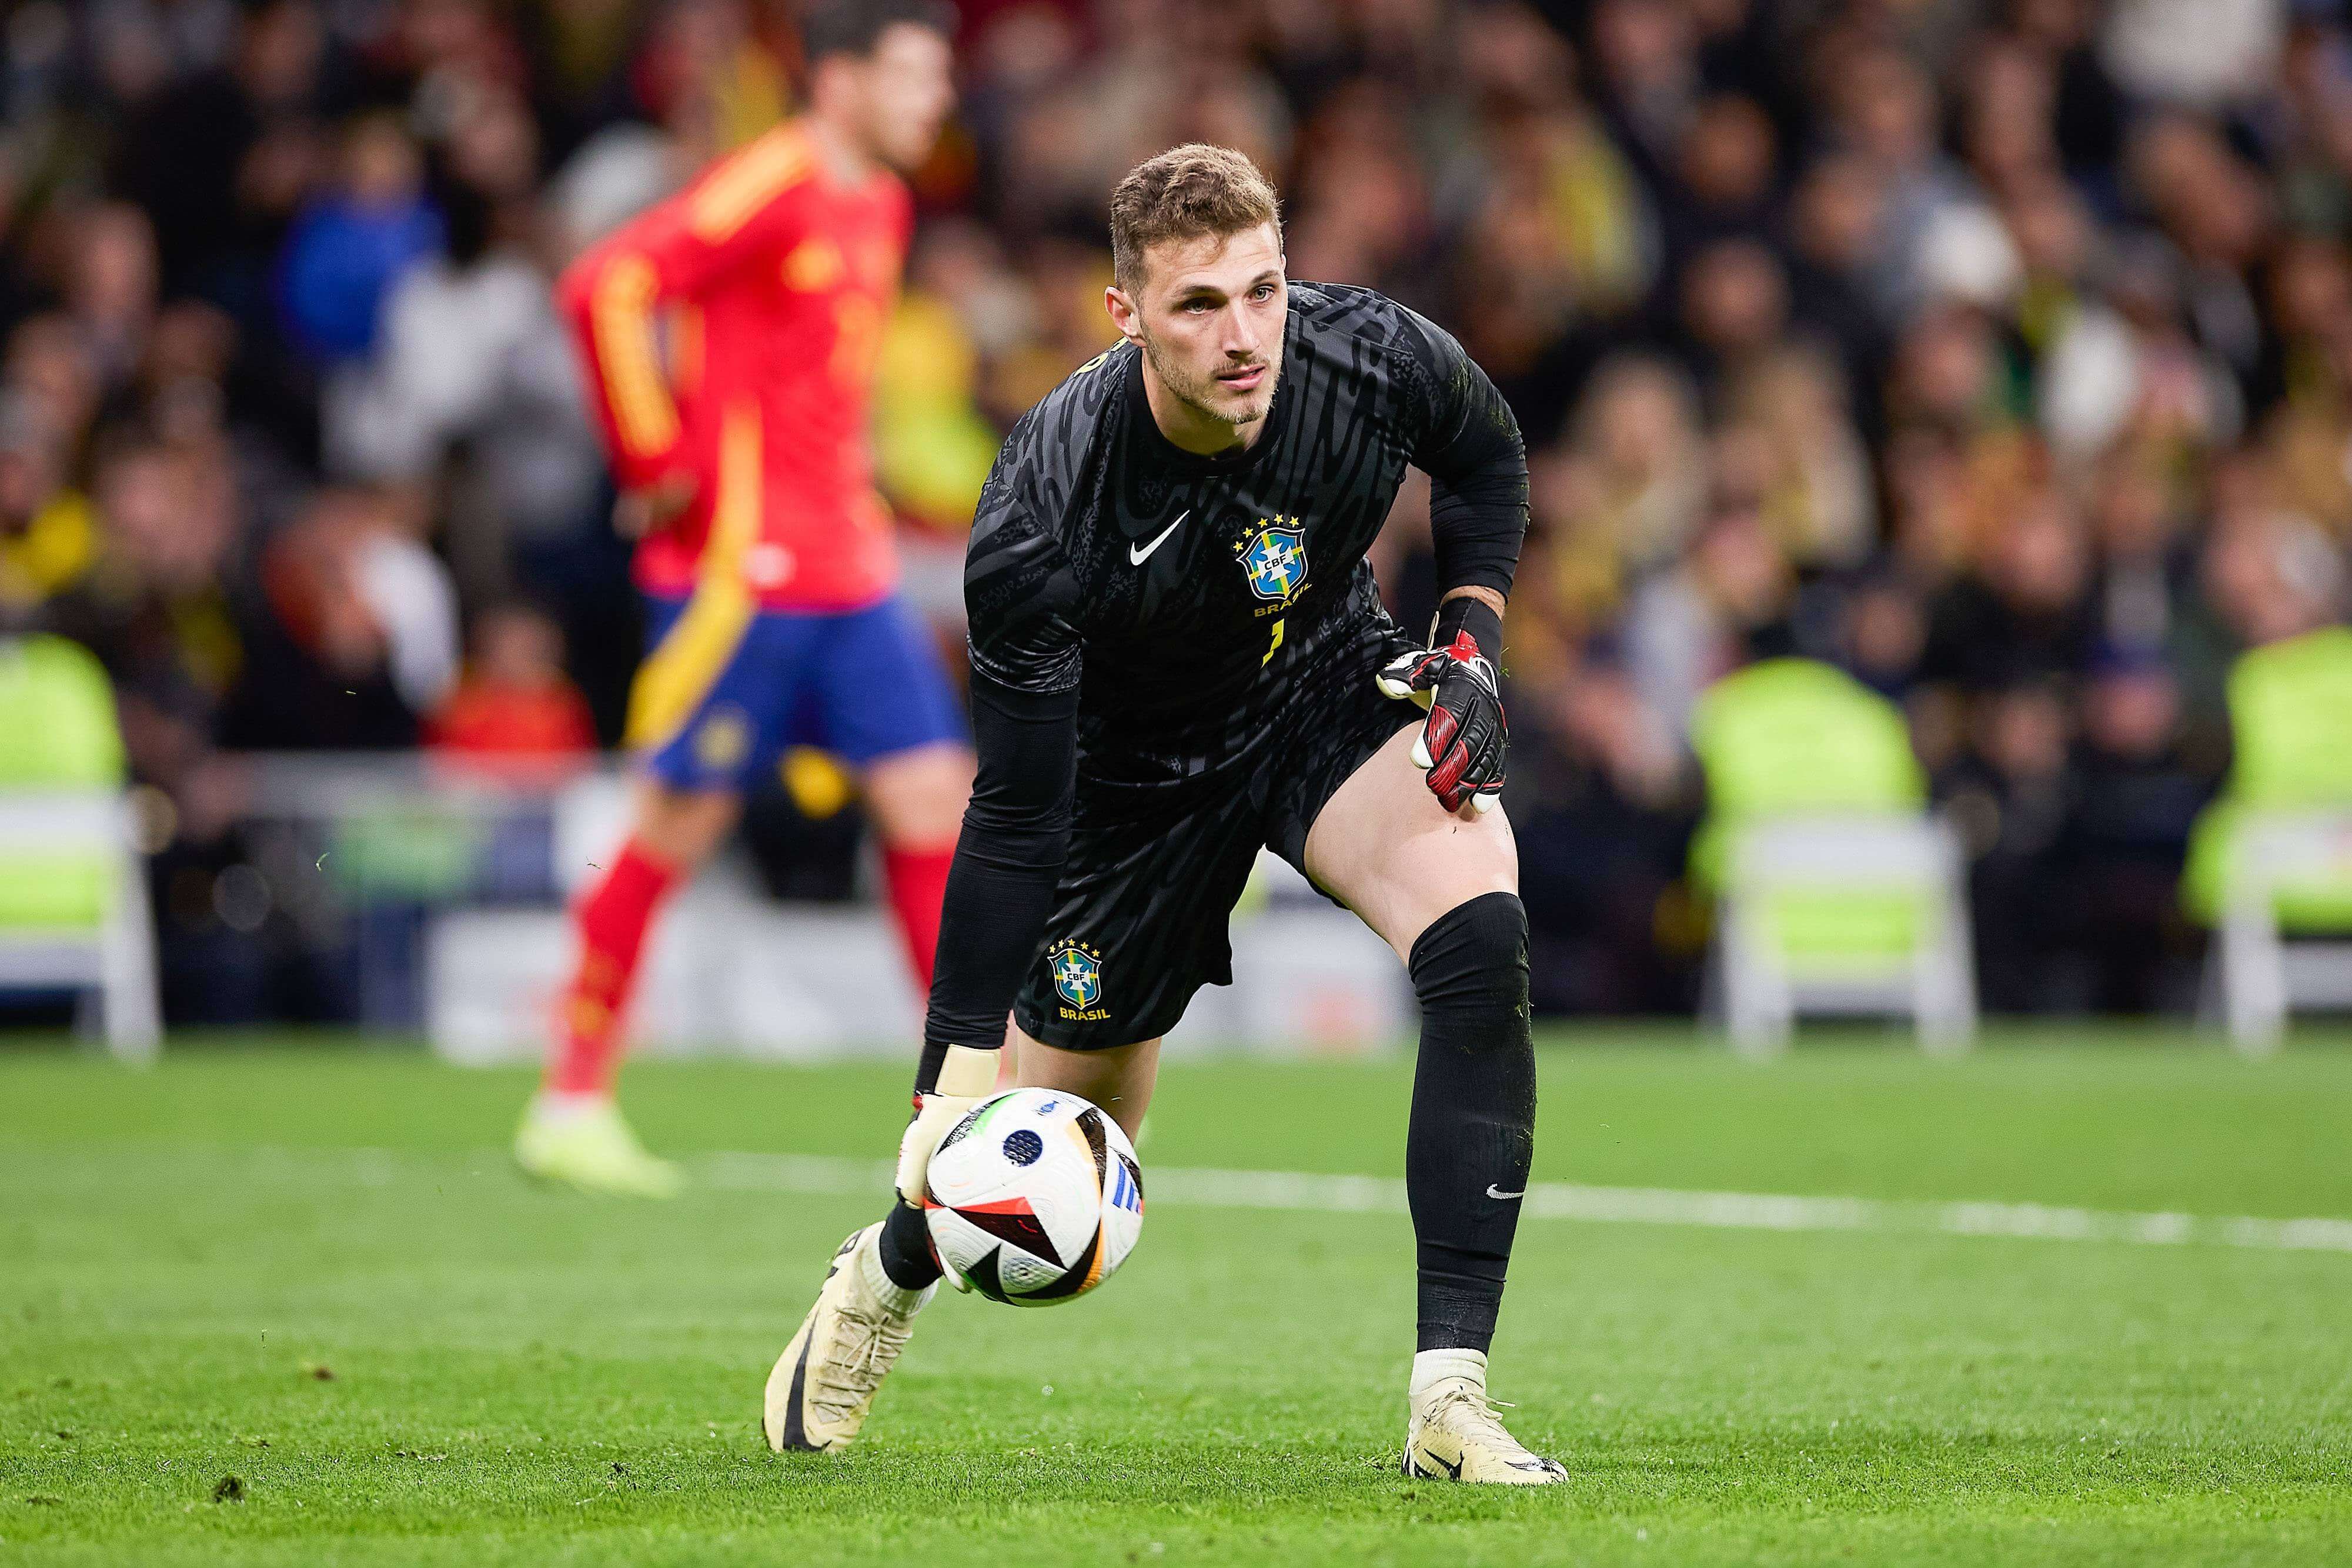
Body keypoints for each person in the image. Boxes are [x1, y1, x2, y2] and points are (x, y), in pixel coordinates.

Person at [762, 144, 1562, 1485]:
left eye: (1263, 291)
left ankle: (1449, 1400)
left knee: (1481, 933)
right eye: (1198, 304)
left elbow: (1484, 456)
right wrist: (947, 1077)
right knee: (1053, 1157)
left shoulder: (1366, 353)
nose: (1244, 336)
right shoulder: (1046, 507)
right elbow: (1015, 809)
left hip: (1322, 691)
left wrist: (1471, 638)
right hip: (1132, 791)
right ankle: (882, 1278)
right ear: (1124, 312)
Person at [523, 0, 973, 1197]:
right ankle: (570, 1100)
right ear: (839, 79)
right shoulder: (770, 181)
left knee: (933, 800)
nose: (936, 100)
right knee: (678, 823)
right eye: (913, 75)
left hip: (851, 567)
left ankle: (959, 1106)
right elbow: (606, 284)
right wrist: (653, 458)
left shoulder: (882, 201)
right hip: (743, 573)